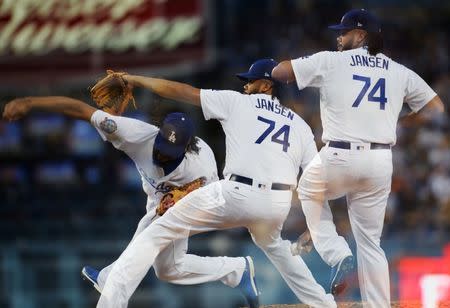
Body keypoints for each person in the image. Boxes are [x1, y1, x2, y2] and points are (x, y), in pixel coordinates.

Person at [89, 58, 339, 308]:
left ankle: (110, 303)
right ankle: (324, 304)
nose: (246, 86)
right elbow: (316, 179)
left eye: (251, 82)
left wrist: (137, 79)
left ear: (266, 85)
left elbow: (182, 91)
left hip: (236, 193)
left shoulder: (237, 102)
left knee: (155, 232)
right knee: (277, 248)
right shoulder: (301, 126)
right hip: (276, 205)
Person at [2, 96, 259, 307]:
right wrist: (31, 103)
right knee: (168, 269)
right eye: (160, 147)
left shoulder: (200, 166)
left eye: (169, 154)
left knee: (145, 244)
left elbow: (211, 203)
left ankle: (111, 285)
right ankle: (236, 269)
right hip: (156, 197)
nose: (160, 154)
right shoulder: (136, 134)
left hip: (189, 204)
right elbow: (81, 109)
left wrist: (180, 200)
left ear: (186, 149)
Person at [271, 8, 445, 308]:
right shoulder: (398, 70)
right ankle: (377, 304)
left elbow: (279, 72)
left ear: (361, 35)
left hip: (339, 155)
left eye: (344, 31)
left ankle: (337, 252)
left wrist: (296, 68)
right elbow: (436, 108)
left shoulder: (332, 60)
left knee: (309, 190)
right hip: (379, 161)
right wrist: (403, 121)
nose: (339, 36)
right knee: (370, 243)